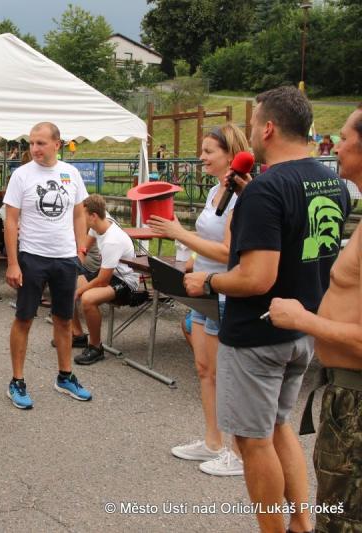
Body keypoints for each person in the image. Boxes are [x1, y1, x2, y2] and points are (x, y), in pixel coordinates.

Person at [184, 86, 350, 533]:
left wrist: (207, 281)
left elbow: (256, 277)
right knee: (279, 427)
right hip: (302, 329)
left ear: (270, 128)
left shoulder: (267, 189)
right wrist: (252, 195)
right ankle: (301, 525)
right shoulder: (333, 182)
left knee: (252, 441)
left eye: (255, 123)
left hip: (257, 333)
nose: (252, 132)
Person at [268, 104, 362, 533]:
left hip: (356, 400)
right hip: (344, 392)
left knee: (342, 521)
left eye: (344, 138)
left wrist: (303, 319)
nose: (335, 148)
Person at [147, 123, 250, 476]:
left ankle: (238, 453)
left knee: (227, 376)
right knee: (205, 370)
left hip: (224, 292)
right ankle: (212, 441)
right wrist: (185, 250)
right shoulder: (215, 191)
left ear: (230, 154)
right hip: (203, 291)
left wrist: (180, 234)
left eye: (208, 151)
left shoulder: (241, 197)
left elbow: (229, 252)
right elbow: (208, 241)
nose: (201, 157)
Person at [3, 121, 92, 409]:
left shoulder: (71, 173)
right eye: (31, 143)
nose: (34, 148)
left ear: (57, 144)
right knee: (24, 318)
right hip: (32, 256)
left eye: (40, 143)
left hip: (65, 258)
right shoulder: (21, 175)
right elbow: (11, 221)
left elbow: (79, 214)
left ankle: (65, 376)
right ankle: (17, 381)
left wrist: (80, 249)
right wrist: (13, 262)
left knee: (64, 318)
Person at [74, 194, 140, 364]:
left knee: (87, 299)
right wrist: (73, 268)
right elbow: (84, 249)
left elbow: (103, 281)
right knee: (65, 284)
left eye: (82, 216)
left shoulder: (112, 240)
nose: (80, 219)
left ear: (93, 216)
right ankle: (77, 335)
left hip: (126, 282)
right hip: (109, 275)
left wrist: (79, 292)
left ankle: (96, 347)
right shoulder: (98, 225)